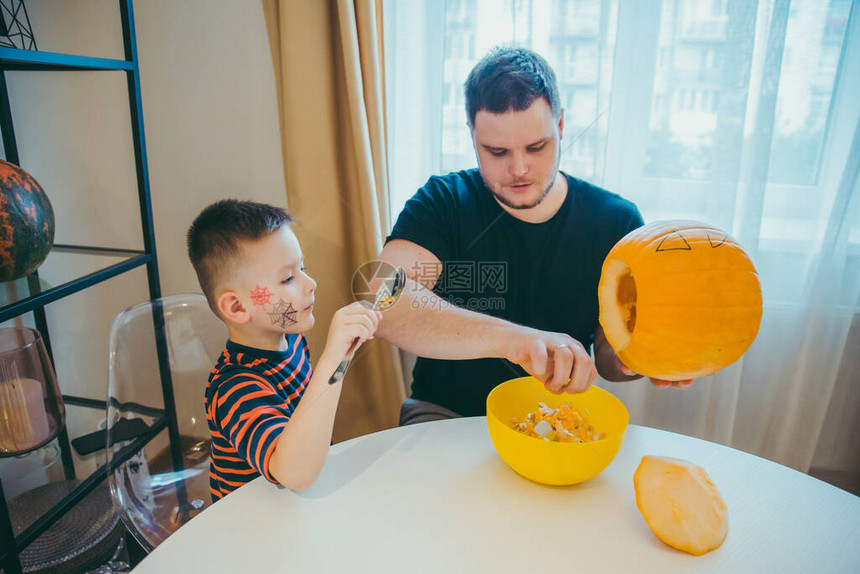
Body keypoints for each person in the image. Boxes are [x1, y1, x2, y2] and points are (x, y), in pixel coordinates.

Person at [377, 46, 692, 425]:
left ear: (560, 127)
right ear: (472, 136)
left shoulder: (616, 221)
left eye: (536, 147)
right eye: (497, 152)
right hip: (445, 416)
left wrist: (638, 356)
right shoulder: (444, 201)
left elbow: (608, 356)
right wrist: (516, 341)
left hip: (557, 420)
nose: (519, 168)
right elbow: (383, 299)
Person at [187, 199, 381, 499]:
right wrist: (332, 359)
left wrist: (342, 357)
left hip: (298, 503)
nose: (310, 283)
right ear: (237, 306)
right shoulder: (234, 387)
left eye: (302, 267)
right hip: (253, 525)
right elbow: (294, 474)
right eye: (288, 277)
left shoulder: (290, 340)